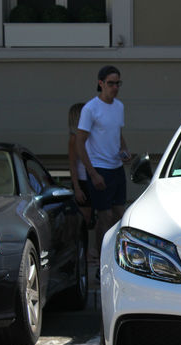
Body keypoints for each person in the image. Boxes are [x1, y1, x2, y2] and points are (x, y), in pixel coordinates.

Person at [76, 65, 132, 272]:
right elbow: (80, 142)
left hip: (116, 167)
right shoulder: (91, 109)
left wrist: (124, 149)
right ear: (101, 83)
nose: (115, 87)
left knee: (120, 214)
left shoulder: (119, 106)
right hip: (99, 169)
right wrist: (92, 173)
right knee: (104, 216)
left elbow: (117, 131)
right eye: (111, 83)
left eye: (118, 83)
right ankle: (102, 262)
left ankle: (117, 260)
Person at [67, 102, 93, 229]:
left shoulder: (90, 135)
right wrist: (77, 188)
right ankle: (86, 247)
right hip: (83, 181)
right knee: (85, 217)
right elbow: (72, 164)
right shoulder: (74, 139)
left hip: (94, 177)